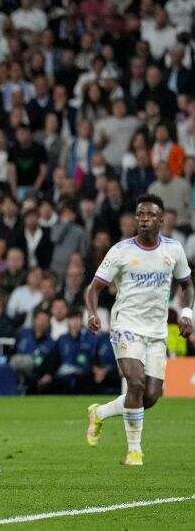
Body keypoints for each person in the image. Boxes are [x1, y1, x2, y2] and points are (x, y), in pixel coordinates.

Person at [84, 193, 193, 466]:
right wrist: (93, 313)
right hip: (126, 325)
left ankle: (100, 413)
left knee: (150, 396)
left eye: (151, 215)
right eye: (140, 215)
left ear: (162, 219)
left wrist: (187, 313)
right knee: (135, 383)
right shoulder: (121, 251)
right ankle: (135, 451)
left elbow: (187, 285)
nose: (144, 220)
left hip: (156, 331)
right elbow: (94, 288)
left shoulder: (173, 250)